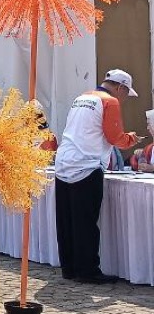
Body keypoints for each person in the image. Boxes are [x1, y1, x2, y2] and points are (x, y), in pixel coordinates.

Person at [54, 69, 144, 284]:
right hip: (87, 165)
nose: (123, 99)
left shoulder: (81, 98)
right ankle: (87, 270)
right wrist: (131, 138)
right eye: (125, 94)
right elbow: (115, 137)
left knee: (66, 221)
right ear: (120, 87)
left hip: (64, 162)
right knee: (85, 222)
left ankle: (69, 268)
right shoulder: (109, 102)